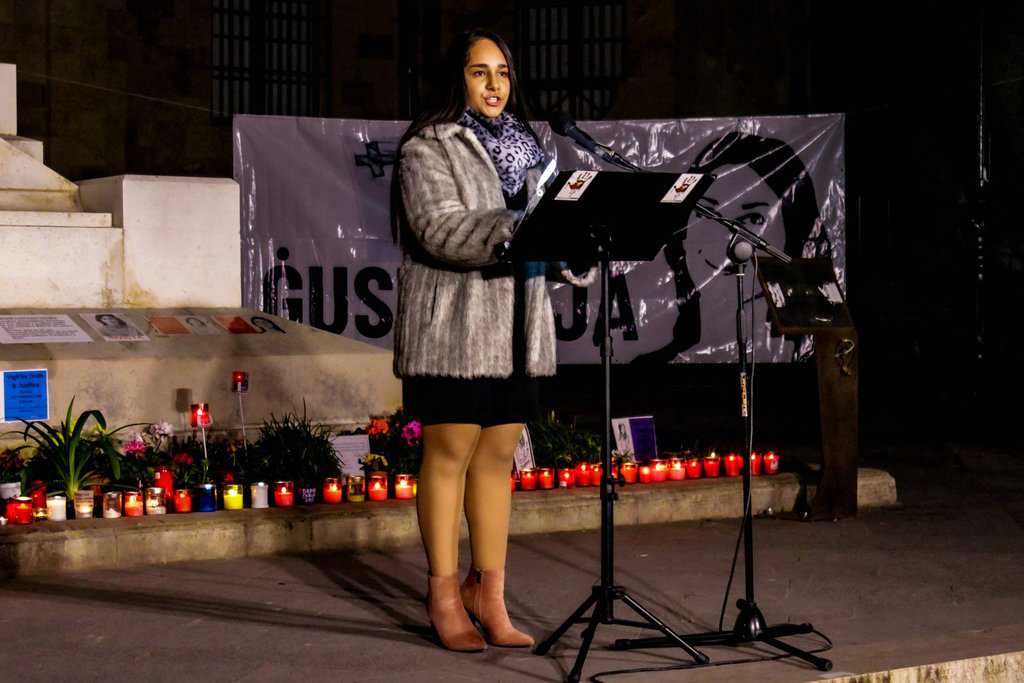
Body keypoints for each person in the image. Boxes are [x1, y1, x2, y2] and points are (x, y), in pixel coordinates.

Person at [391, 28, 592, 653]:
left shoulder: (532, 149)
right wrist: (517, 225)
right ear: (457, 80)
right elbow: (437, 229)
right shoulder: (429, 145)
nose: (495, 84)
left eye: (502, 72)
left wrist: (570, 243)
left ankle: (489, 593)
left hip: (517, 328)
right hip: (452, 327)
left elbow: (546, 236)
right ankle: (443, 595)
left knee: (499, 455)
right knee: (450, 450)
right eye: (480, 72)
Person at [632, 131, 828, 364]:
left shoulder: (814, 362)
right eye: (708, 214)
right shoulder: (650, 367)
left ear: (790, 236)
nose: (726, 237)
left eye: (753, 218)